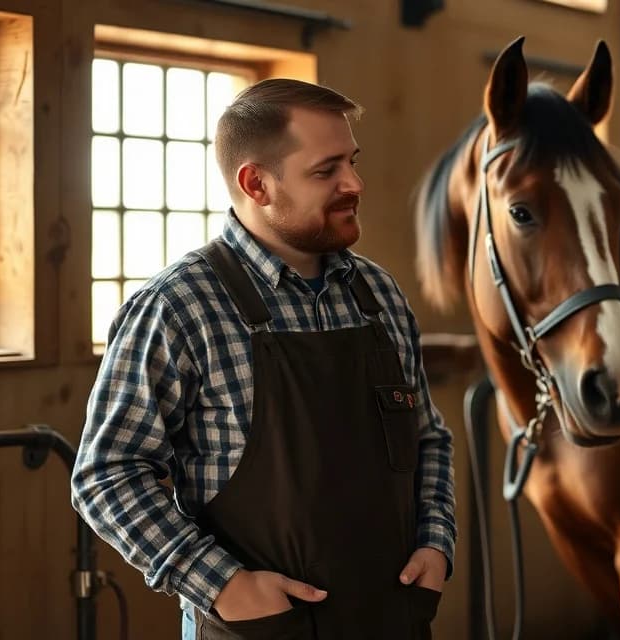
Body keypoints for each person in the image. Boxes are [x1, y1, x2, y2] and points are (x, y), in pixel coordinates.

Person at [71, 78, 456, 640]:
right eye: (326, 171)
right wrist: (223, 585)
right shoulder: (179, 306)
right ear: (256, 183)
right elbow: (106, 474)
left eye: (352, 161)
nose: (355, 183)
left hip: (394, 619)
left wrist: (436, 542)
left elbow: (426, 437)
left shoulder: (378, 295)